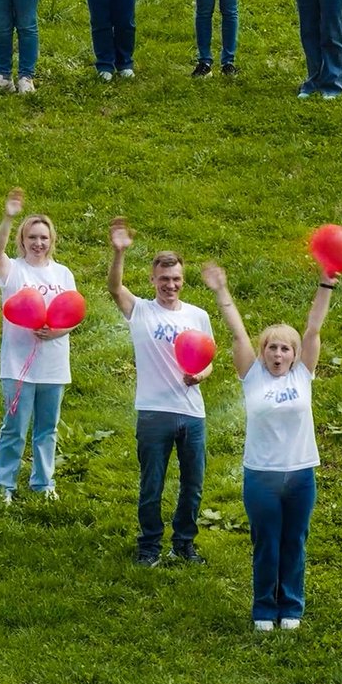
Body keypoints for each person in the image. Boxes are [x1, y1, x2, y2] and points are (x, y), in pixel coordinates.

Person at [201, 261, 334, 631]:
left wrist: (325, 285)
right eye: (272, 348)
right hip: (261, 475)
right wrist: (220, 289)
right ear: (263, 352)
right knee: (266, 544)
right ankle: (264, 609)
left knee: (294, 541)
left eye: (285, 349)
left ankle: (290, 606)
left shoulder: (304, 374)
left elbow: (313, 328)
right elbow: (238, 331)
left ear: (295, 354)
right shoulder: (252, 373)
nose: (278, 355)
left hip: (300, 473)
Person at [107, 218, 214, 567]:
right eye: (164, 279)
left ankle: (184, 544)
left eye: (176, 279)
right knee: (152, 484)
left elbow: (209, 360)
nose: (170, 285)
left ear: (183, 281)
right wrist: (119, 252)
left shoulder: (198, 315)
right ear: (153, 280)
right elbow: (114, 288)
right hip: (154, 412)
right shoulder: (141, 310)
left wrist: (200, 375)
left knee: (193, 485)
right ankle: (149, 546)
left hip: (192, 413)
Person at [0, 189, 79, 501]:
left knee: (47, 430)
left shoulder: (63, 273)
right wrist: (9, 217)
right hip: (17, 365)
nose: (38, 243)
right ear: (23, 240)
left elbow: (74, 314)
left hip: (53, 364)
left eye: (43, 237)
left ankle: (44, 485)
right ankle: (4, 486)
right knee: (14, 428)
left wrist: (57, 332)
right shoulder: (13, 269)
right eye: (32, 237)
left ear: (51, 240)